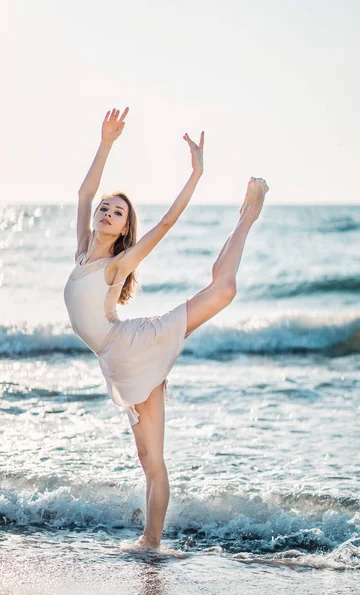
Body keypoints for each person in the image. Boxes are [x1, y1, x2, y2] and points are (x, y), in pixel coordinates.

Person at [63, 107, 269, 552]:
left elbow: (167, 224)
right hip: (117, 362)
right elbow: (84, 191)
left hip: (135, 345)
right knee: (147, 461)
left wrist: (195, 175)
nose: (105, 211)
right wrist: (107, 142)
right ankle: (150, 542)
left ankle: (247, 216)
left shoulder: (117, 264)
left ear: (122, 231)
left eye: (116, 213)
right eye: (105, 207)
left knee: (223, 290)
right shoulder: (83, 253)